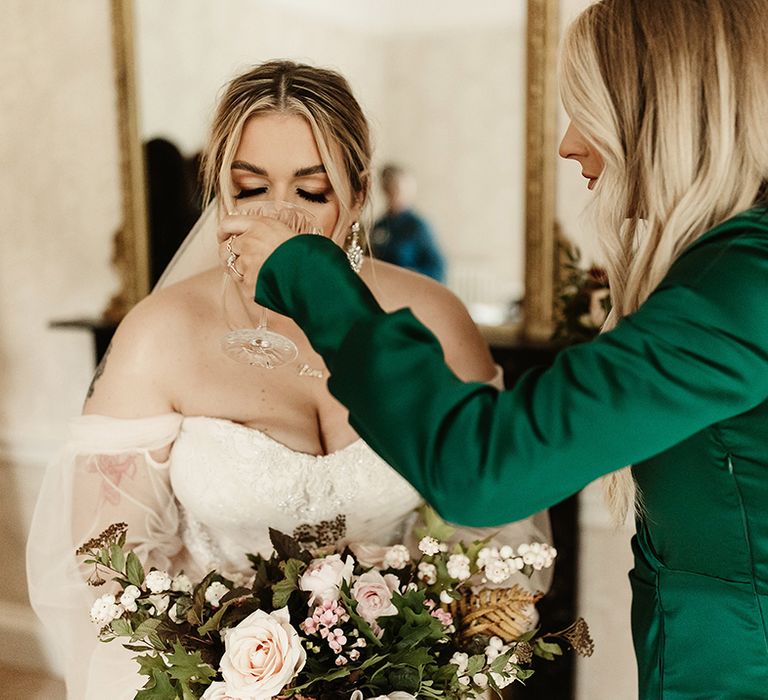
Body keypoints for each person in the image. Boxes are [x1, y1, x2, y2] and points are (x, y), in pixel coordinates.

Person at [233, 2, 768, 697]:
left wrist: (309, 275)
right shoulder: (728, 274)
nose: (568, 143)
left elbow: (482, 470)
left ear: (667, 113)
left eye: (590, 110)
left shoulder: (742, 288)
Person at [26, 61, 550, 699]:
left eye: (310, 192)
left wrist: (430, 667)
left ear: (357, 194)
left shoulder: (436, 321)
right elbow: (111, 576)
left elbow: (492, 529)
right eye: (251, 189)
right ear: (220, 194)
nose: (280, 221)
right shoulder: (158, 336)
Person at [369, 164, 446, 282]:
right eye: (388, 188)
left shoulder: (417, 226)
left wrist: (411, 275)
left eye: (396, 188)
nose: (392, 193)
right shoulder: (379, 225)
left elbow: (438, 269)